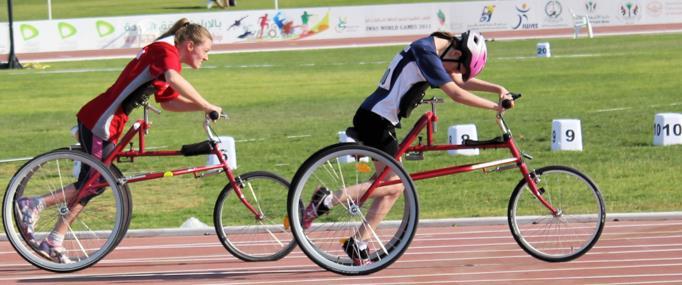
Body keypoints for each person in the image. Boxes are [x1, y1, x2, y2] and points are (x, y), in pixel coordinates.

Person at [16, 18, 222, 263]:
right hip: (100, 122)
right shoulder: (164, 51)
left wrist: (201, 108)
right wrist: (207, 103)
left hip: (108, 125)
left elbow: (168, 102)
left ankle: (53, 240)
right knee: (96, 180)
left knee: (96, 183)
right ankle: (34, 204)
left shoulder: (165, 55)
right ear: (190, 45)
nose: (207, 57)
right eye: (206, 51)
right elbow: (174, 78)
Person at [301, 30, 513, 265]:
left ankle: (358, 242)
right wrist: (495, 106)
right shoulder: (426, 52)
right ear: (455, 54)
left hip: (379, 118)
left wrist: (499, 89)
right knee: (396, 184)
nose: (456, 73)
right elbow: (456, 92)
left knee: (393, 186)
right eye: (458, 67)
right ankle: (328, 199)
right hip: (376, 120)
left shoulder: (434, 50)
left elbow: (459, 80)